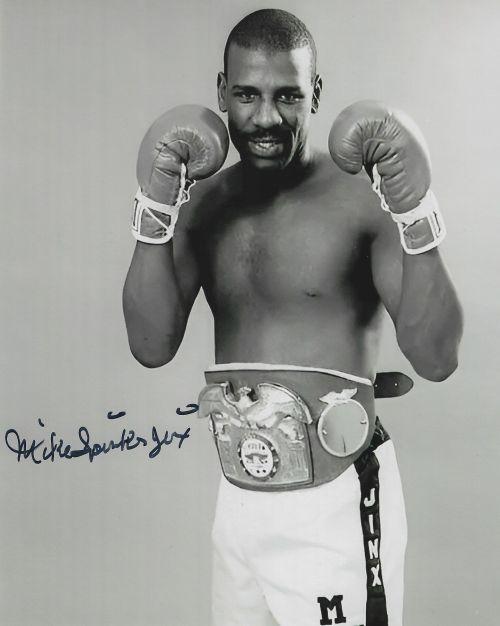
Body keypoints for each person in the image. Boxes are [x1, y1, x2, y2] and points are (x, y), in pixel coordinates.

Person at [123, 9, 463, 626]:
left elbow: (437, 359)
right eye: (247, 95)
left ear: (316, 93)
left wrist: (416, 215)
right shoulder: (203, 204)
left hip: (334, 503)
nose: (266, 118)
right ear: (221, 91)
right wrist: (154, 211)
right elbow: (150, 345)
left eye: (288, 96)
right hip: (239, 502)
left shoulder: (363, 201)